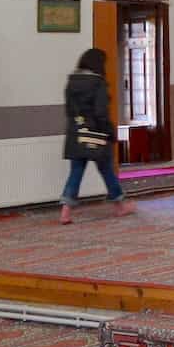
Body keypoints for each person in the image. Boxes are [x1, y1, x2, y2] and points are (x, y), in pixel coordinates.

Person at [60, 47, 135, 224]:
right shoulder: (98, 83)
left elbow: (69, 110)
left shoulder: (71, 82)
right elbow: (101, 113)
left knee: (76, 172)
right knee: (107, 170)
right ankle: (120, 206)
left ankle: (65, 211)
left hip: (76, 134)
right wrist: (110, 132)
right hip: (97, 134)